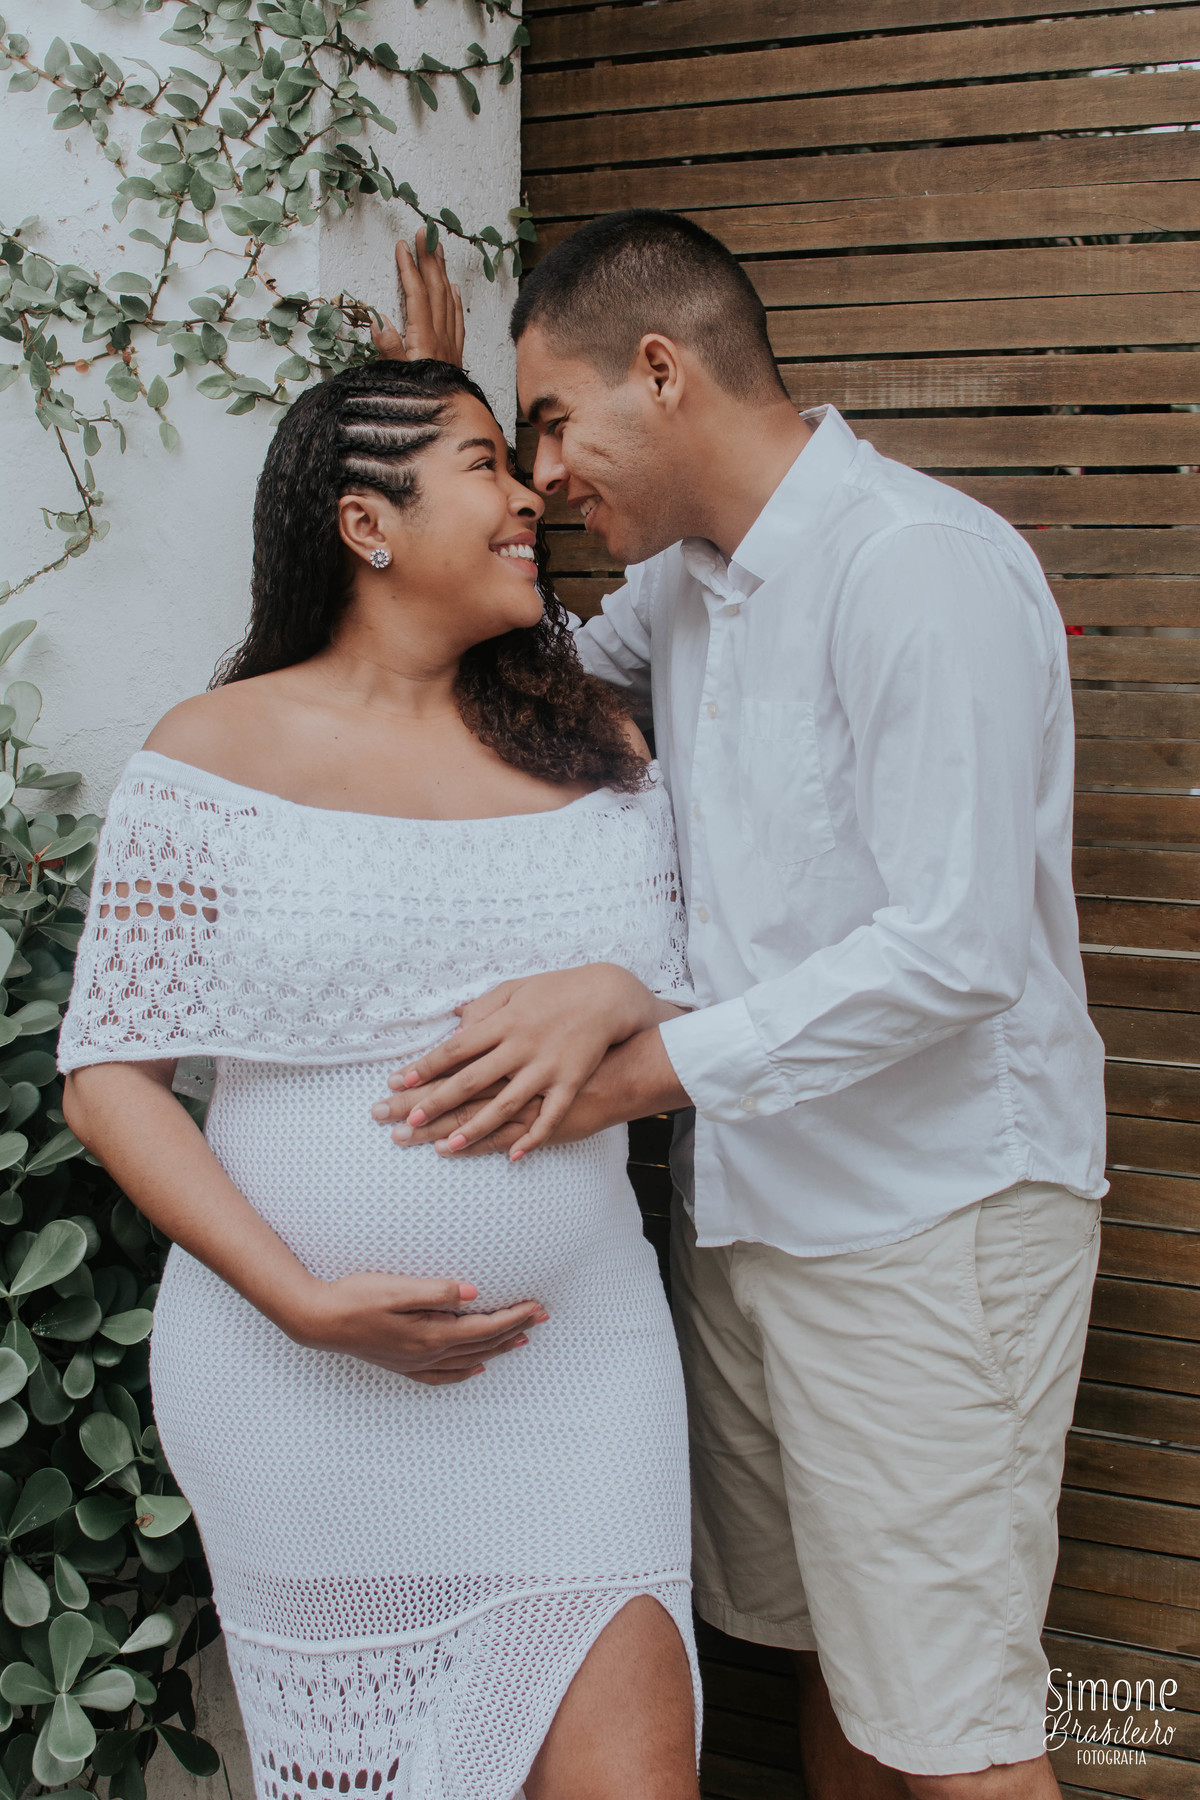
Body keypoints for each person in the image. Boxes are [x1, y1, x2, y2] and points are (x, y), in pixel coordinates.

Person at [374, 210, 1108, 1799]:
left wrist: (648, 1065)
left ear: (664, 371)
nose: (545, 480)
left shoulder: (916, 565)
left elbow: (957, 947)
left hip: (930, 1227)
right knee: (838, 1679)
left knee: (960, 1737)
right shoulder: (684, 587)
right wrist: (428, 436)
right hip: (757, 1217)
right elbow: (537, 681)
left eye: (550, 425)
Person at [60, 347, 704, 1800]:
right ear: (366, 524)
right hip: (295, 1388)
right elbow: (108, 1076)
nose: (531, 495)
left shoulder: (593, 744)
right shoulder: (211, 754)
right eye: (486, 465)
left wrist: (615, 993)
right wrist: (299, 1303)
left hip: (577, 1370)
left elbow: (688, 1024)